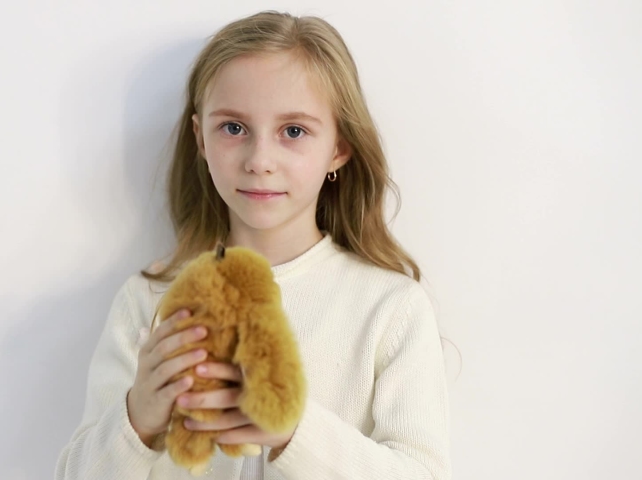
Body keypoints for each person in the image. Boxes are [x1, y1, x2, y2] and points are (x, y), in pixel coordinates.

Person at [54, 10, 451, 480]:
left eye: (294, 131)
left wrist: (293, 430)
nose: (260, 160)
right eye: (234, 128)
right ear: (201, 138)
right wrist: (136, 420)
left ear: (339, 149)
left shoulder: (390, 309)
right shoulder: (149, 299)